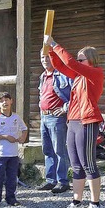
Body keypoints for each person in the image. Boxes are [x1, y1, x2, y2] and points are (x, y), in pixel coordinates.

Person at [44, 36, 105, 208]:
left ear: (91, 60)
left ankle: (96, 204)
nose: (77, 62)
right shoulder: (79, 77)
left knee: (88, 164)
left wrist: (55, 44)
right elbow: (61, 66)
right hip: (74, 121)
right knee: (76, 166)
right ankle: (77, 203)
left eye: (81, 59)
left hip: (88, 121)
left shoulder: (95, 73)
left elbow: (70, 62)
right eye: (78, 59)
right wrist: (50, 51)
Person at [35, 48, 73, 194]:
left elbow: (75, 95)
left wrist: (65, 108)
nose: (44, 60)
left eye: (47, 57)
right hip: (44, 116)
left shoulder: (63, 75)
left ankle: (62, 181)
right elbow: (42, 94)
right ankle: (51, 180)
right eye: (42, 57)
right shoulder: (43, 76)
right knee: (47, 150)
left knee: (59, 150)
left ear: (54, 58)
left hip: (57, 118)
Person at [0, 92, 28, 208]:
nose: (4, 102)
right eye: (1, 101)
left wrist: (23, 137)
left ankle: (11, 198)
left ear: (11, 101)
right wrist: (5, 137)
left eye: (7, 99)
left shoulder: (16, 117)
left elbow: (24, 129)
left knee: (12, 176)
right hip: (1, 153)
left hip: (14, 153)